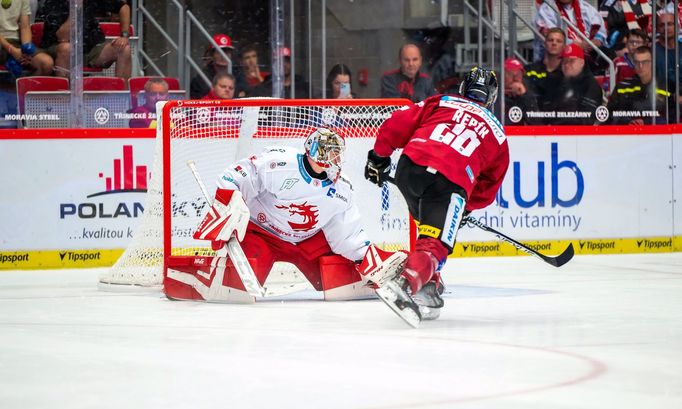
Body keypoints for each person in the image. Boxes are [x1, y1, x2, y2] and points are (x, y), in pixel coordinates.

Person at [362, 67, 509, 323]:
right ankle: (406, 283)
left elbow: (397, 123)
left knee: (428, 231)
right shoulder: (497, 133)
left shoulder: (442, 101)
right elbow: (489, 187)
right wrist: (467, 207)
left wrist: (379, 157)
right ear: (491, 98)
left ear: (463, 88)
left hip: (410, 169)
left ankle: (429, 283)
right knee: (436, 245)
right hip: (448, 182)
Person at [177, 128, 374, 302]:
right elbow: (236, 176)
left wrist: (365, 258)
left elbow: (346, 234)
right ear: (315, 152)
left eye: (337, 154)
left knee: (339, 283)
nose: (335, 160)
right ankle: (198, 275)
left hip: (306, 241)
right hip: (262, 234)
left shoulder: (342, 188)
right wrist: (230, 199)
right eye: (330, 153)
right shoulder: (280, 163)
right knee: (239, 287)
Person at [39, 0, 131, 80]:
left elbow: (124, 7)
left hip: (89, 48)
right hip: (58, 48)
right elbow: (62, 37)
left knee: (124, 49)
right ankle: (63, 96)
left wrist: (124, 35)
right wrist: (75, 8)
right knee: (67, 48)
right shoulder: (53, 3)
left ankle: (124, 97)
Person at [534, 0, 609, 73]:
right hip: (559, 61)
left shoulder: (587, 7)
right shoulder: (546, 9)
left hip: (587, 54)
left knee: (608, 53)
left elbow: (601, 30)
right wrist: (577, 45)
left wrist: (597, 41)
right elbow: (552, 38)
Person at [607, 45, 675, 124]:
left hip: (659, 134)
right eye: (637, 62)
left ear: (653, 62)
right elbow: (610, 114)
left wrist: (646, 122)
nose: (640, 66)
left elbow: (673, 117)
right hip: (627, 133)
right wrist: (628, 121)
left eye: (645, 62)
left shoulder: (668, 86)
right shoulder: (622, 86)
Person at [544, 43, 604, 125]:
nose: (567, 65)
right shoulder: (555, 81)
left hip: (580, 134)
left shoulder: (591, 86)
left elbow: (586, 119)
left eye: (571, 61)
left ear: (582, 63)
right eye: (564, 61)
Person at [0, 0, 53, 76]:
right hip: (3, 43)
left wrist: (26, 50)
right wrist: (11, 49)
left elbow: (25, 27)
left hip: (15, 41)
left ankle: (26, 86)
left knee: (46, 63)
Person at [190, 33, 247, 99]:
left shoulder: (238, 73)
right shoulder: (201, 78)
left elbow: (247, 92)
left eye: (227, 52)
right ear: (212, 54)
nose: (223, 55)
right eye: (219, 52)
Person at [525, 27, 566, 111]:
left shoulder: (568, 73)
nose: (554, 43)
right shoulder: (530, 70)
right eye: (551, 40)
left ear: (564, 46)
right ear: (544, 43)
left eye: (558, 41)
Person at [502, 57, 541, 125]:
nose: (516, 78)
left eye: (519, 74)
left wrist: (524, 95)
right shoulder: (495, 95)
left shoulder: (528, 93)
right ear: (503, 75)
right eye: (510, 74)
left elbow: (536, 123)